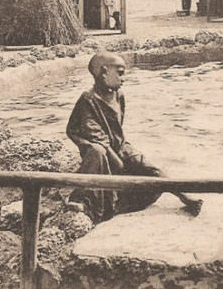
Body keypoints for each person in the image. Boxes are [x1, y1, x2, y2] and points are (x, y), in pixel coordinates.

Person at [66, 52, 203, 223]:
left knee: (150, 168)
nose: (124, 79)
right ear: (103, 72)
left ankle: (183, 195)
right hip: (99, 147)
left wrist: (124, 154)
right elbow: (93, 133)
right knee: (97, 152)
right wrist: (117, 160)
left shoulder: (119, 96)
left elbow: (117, 129)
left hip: (120, 145)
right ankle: (83, 201)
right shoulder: (89, 100)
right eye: (120, 73)